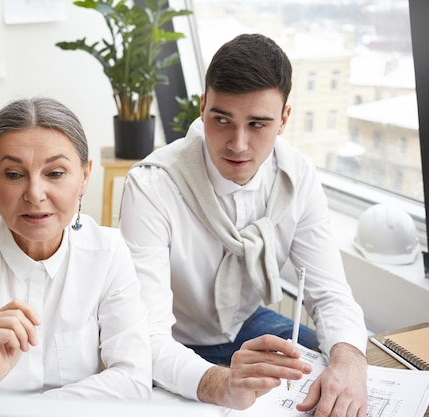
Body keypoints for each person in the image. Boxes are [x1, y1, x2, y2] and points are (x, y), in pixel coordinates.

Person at [119, 33, 368, 415]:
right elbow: (145, 335)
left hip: (247, 327)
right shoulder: (151, 185)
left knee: (335, 369)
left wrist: (351, 362)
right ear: (202, 107)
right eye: (222, 120)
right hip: (175, 342)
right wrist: (220, 383)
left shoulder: (298, 176)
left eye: (257, 124)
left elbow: (330, 293)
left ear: (284, 119)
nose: (237, 144)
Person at [0, 97, 152, 399]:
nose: (34, 195)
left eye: (55, 173)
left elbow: (134, 380)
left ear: (84, 176)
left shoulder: (109, 254)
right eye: (14, 175)